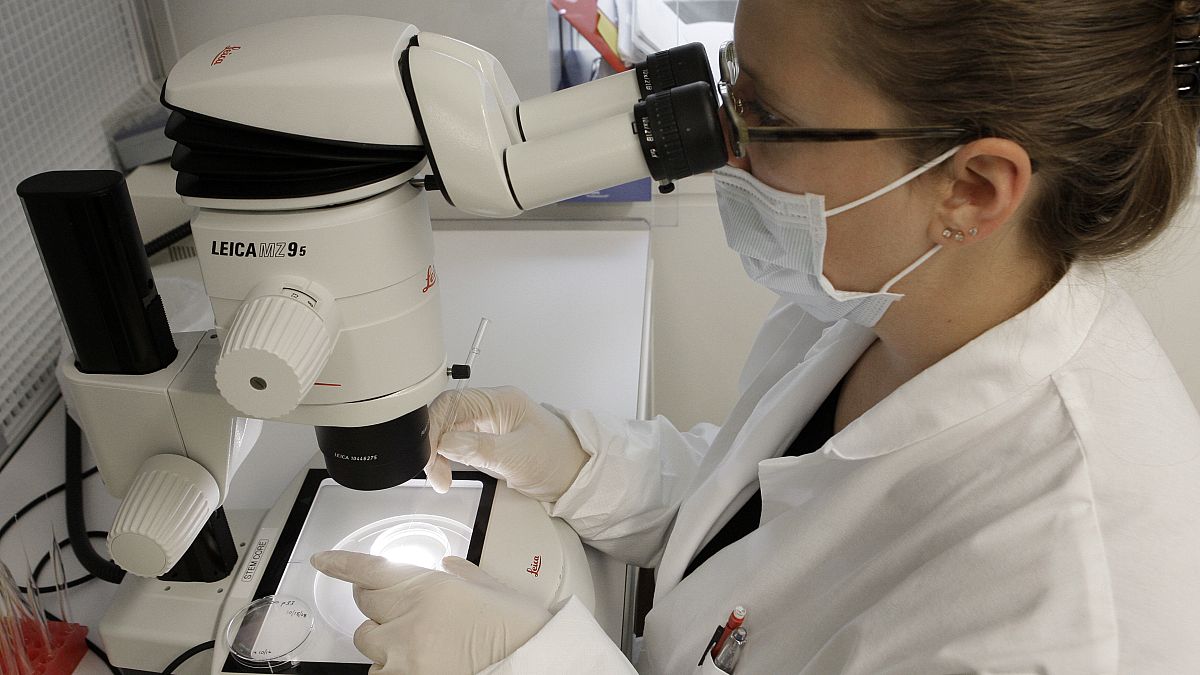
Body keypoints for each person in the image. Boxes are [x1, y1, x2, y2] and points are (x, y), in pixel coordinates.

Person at [312, 0, 1200, 672]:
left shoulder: (1064, 615)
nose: (726, 148)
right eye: (732, 82)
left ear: (971, 189)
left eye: (765, 118)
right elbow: (769, 515)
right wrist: (576, 463)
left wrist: (532, 662)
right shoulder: (883, 294)